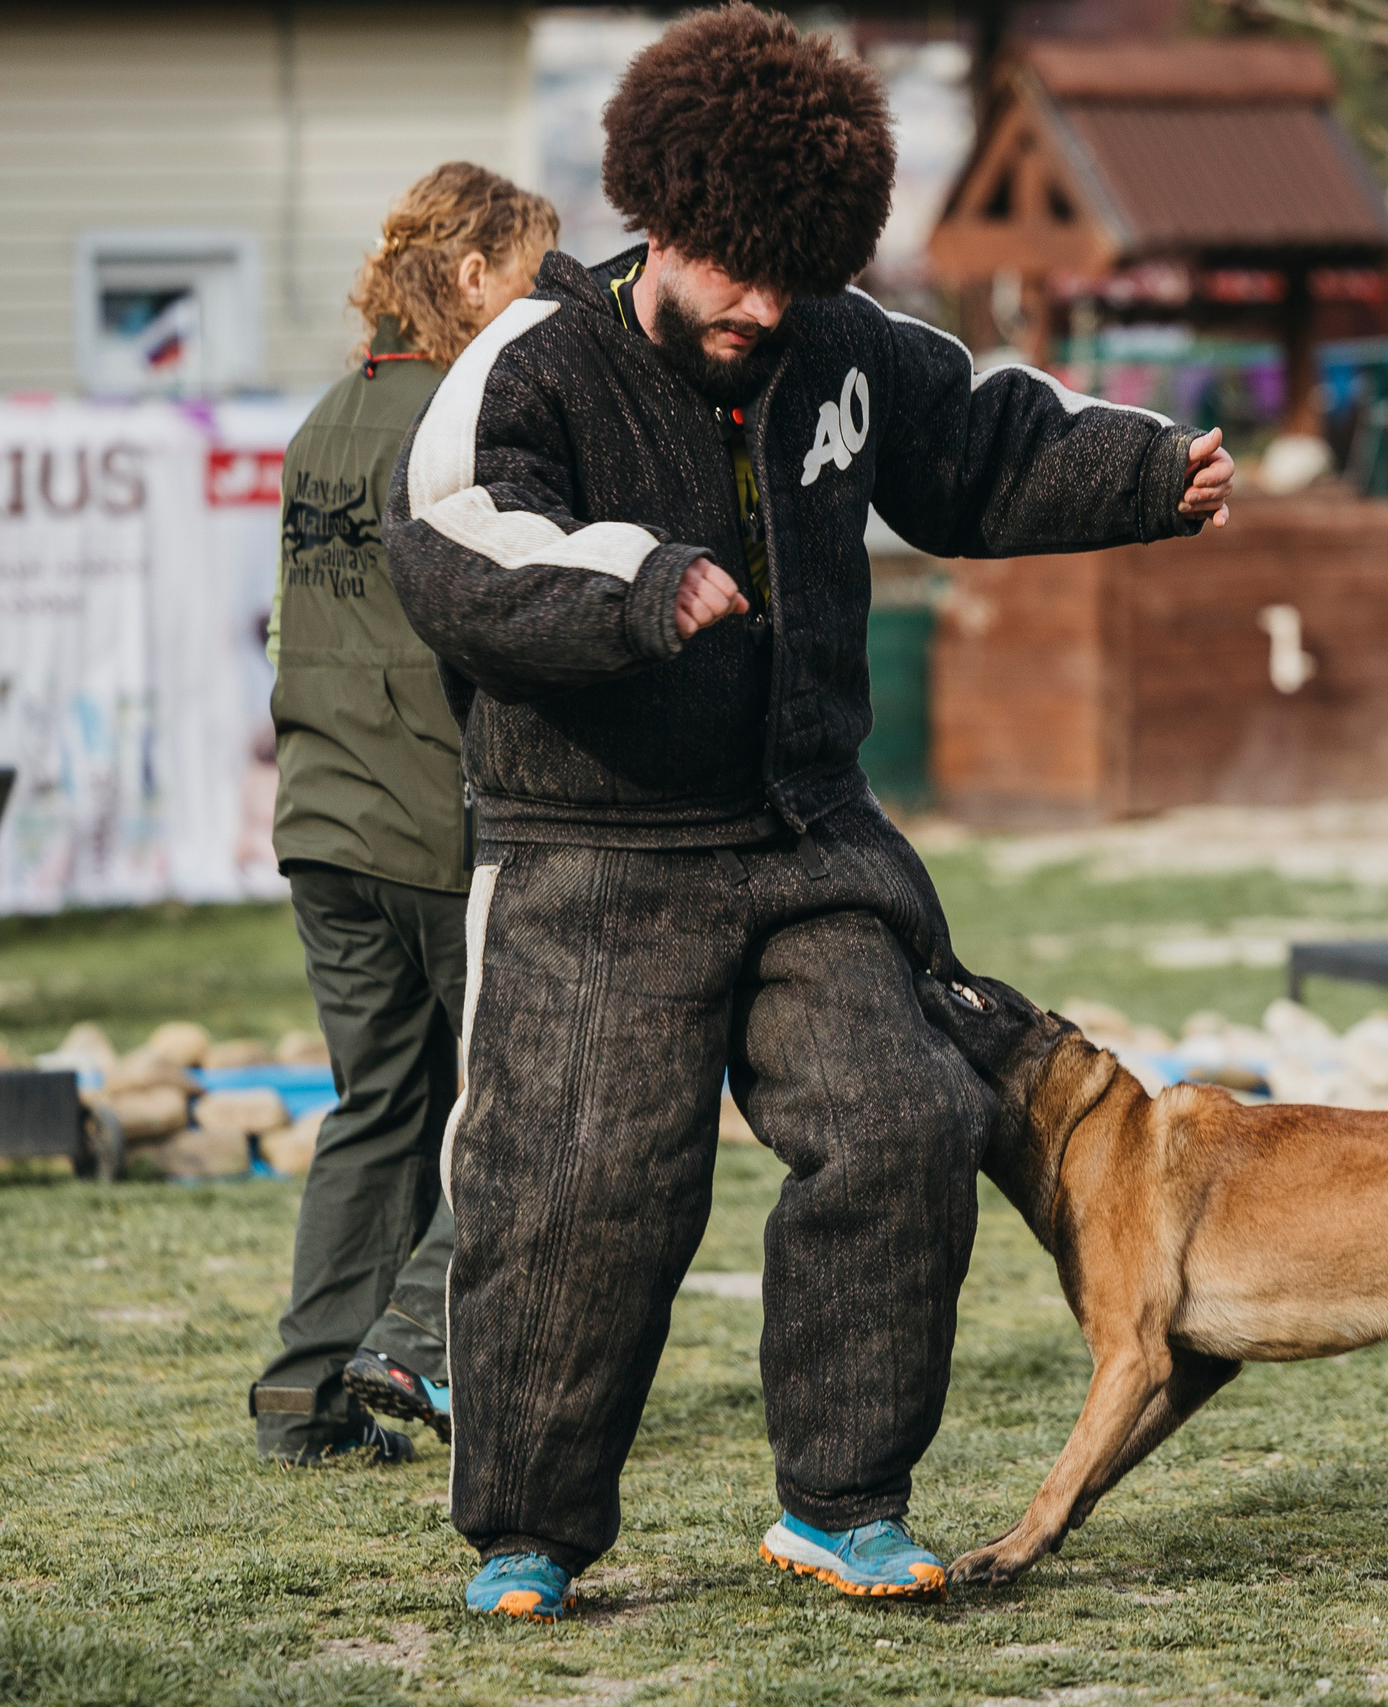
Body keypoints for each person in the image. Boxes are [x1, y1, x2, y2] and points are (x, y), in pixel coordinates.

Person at [384, 4, 1233, 1622]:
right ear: (659, 217)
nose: (760, 307)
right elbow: (456, 540)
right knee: (584, 1181)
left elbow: (979, 448)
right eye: (732, 267)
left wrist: (1142, 479)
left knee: (909, 1116)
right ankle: (530, 1533)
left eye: (798, 274)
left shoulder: (839, 343)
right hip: (593, 852)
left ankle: (844, 1504)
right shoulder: (533, 364)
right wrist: (635, 582)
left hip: (806, 838)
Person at [248, 163, 560, 1467]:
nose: (544, 311)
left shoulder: (327, 414)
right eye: (535, 278)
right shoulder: (459, 423)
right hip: (437, 823)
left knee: (378, 1107)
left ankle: (301, 1396)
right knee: (525, 1096)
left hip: (320, 818)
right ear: (474, 276)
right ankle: (418, 1339)